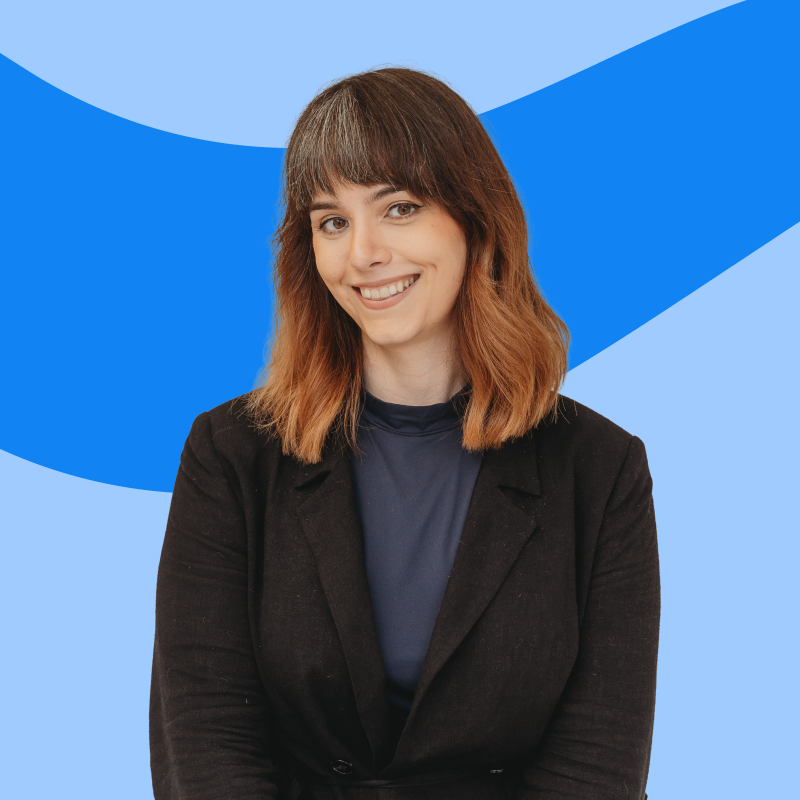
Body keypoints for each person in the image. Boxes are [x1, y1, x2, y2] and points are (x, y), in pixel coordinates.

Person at [149, 67, 660, 800]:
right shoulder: (230, 455)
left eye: (399, 208)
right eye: (332, 221)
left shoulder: (601, 471)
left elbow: (598, 762)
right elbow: (204, 734)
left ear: (475, 220)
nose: (363, 253)